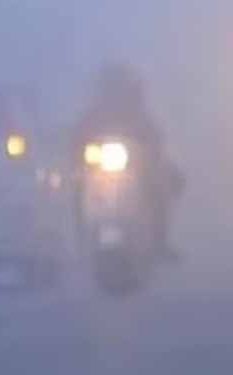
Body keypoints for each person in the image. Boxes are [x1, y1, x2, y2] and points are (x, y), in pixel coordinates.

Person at [71, 63, 183, 260]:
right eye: (110, 87)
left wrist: (149, 152)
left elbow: (153, 136)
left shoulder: (137, 113)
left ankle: (160, 241)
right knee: (77, 189)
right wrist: (77, 151)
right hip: (97, 172)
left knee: (156, 190)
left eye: (118, 86)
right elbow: (78, 135)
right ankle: (79, 237)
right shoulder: (95, 113)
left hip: (135, 170)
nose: (114, 92)